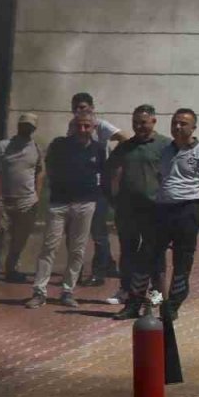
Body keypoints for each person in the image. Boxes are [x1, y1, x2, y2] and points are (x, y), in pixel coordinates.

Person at [114, 108, 199, 322]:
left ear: (193, 127)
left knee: (181, 262)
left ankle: (171, 306)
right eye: (175, 123)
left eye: (183, 123)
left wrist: (192, 203)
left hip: (187, 211)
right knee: (147, 260)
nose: (178, 127)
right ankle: (136, 303)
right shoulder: (164, 150)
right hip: (161, 211)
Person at [24, 110, 106, 309]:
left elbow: (103, 174)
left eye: (87, 126)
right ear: (72, 126)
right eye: (78, 125)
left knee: (77, 250)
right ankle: (39, 292)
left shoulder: (99, 149)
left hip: (85, 204)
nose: (82, 129)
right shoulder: (60, 145)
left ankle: (68, 291)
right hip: (59, 203)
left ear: (93, 128)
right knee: (49, 247)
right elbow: (50, 168)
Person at [105, 105, 170, 306]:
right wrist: (112, 200)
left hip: (155, 210)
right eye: (135, 123)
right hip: (128, 210)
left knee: (155, 253)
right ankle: (126, 290)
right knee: (128, 252)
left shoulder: (165, 145)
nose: (139, 126)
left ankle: (157, 292)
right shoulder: (125, 147)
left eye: (143, 122)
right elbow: (110, 172)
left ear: (153, 121)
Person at [71, 92, 126, 287]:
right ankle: (108, 263)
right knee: (86, 230)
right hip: (80, 187)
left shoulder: (100, 125)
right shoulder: (73, 126)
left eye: (84, 107)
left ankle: (98, 273)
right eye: (76, 108)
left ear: (92, 108)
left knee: (98, 231)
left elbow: (124, 138)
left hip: (98, 186)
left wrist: (112, 162)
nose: (80, 111)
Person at [0, 113, 45, 283]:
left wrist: (37, 194)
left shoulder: (36, 147)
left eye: (30, 126)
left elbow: (41, 170)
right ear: (18, 126)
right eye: (24, 125)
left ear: (34, 129)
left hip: (27, 202)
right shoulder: (4, 146)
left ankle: (11, 269)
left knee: (19, 239)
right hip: (5, 200)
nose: (26, 128)